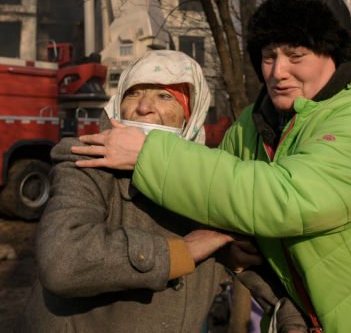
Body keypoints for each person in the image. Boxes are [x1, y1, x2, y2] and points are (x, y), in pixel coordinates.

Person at [73, 0, 351, 332]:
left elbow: (286, 199)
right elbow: (216, 198)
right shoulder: (257, 123)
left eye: (296, 55)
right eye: (269, 56)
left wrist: (148, 155)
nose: (278, 71)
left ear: (335, 54)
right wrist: (239, 249)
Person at [20, 50, 306, 332]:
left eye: (164, 96)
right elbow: (62, 260)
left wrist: (292, 322)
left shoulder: (205, 178)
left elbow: (256, 266)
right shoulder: (87, 160)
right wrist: (180, 252)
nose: (144, 107)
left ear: (190, 115)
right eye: (134, 93)